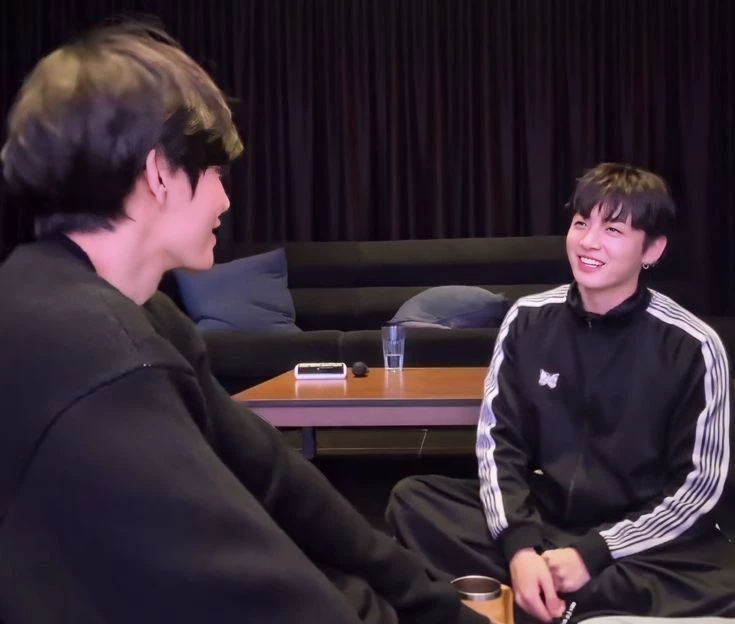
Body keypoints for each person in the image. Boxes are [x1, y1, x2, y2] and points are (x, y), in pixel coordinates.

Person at [0, 21, 492, 624]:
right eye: (215, 173)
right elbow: (255, 590)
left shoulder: (131, 313)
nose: (225, 200)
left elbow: (278, 482)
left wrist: (436, 609)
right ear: (159, 174)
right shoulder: (99, 352)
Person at [386, 163, 735, 623]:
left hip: (636, 541)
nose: (589, 242)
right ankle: (559, 593)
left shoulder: (694, 345)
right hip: (546, 520)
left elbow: (699, 488)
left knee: (717, 577)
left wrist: (593, 552)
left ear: (652, 249)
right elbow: (499, 447)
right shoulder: (527, 319)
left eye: (613, 230)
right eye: (581, 223)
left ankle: (538, 599)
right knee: (414, 500)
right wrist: (520, 547)